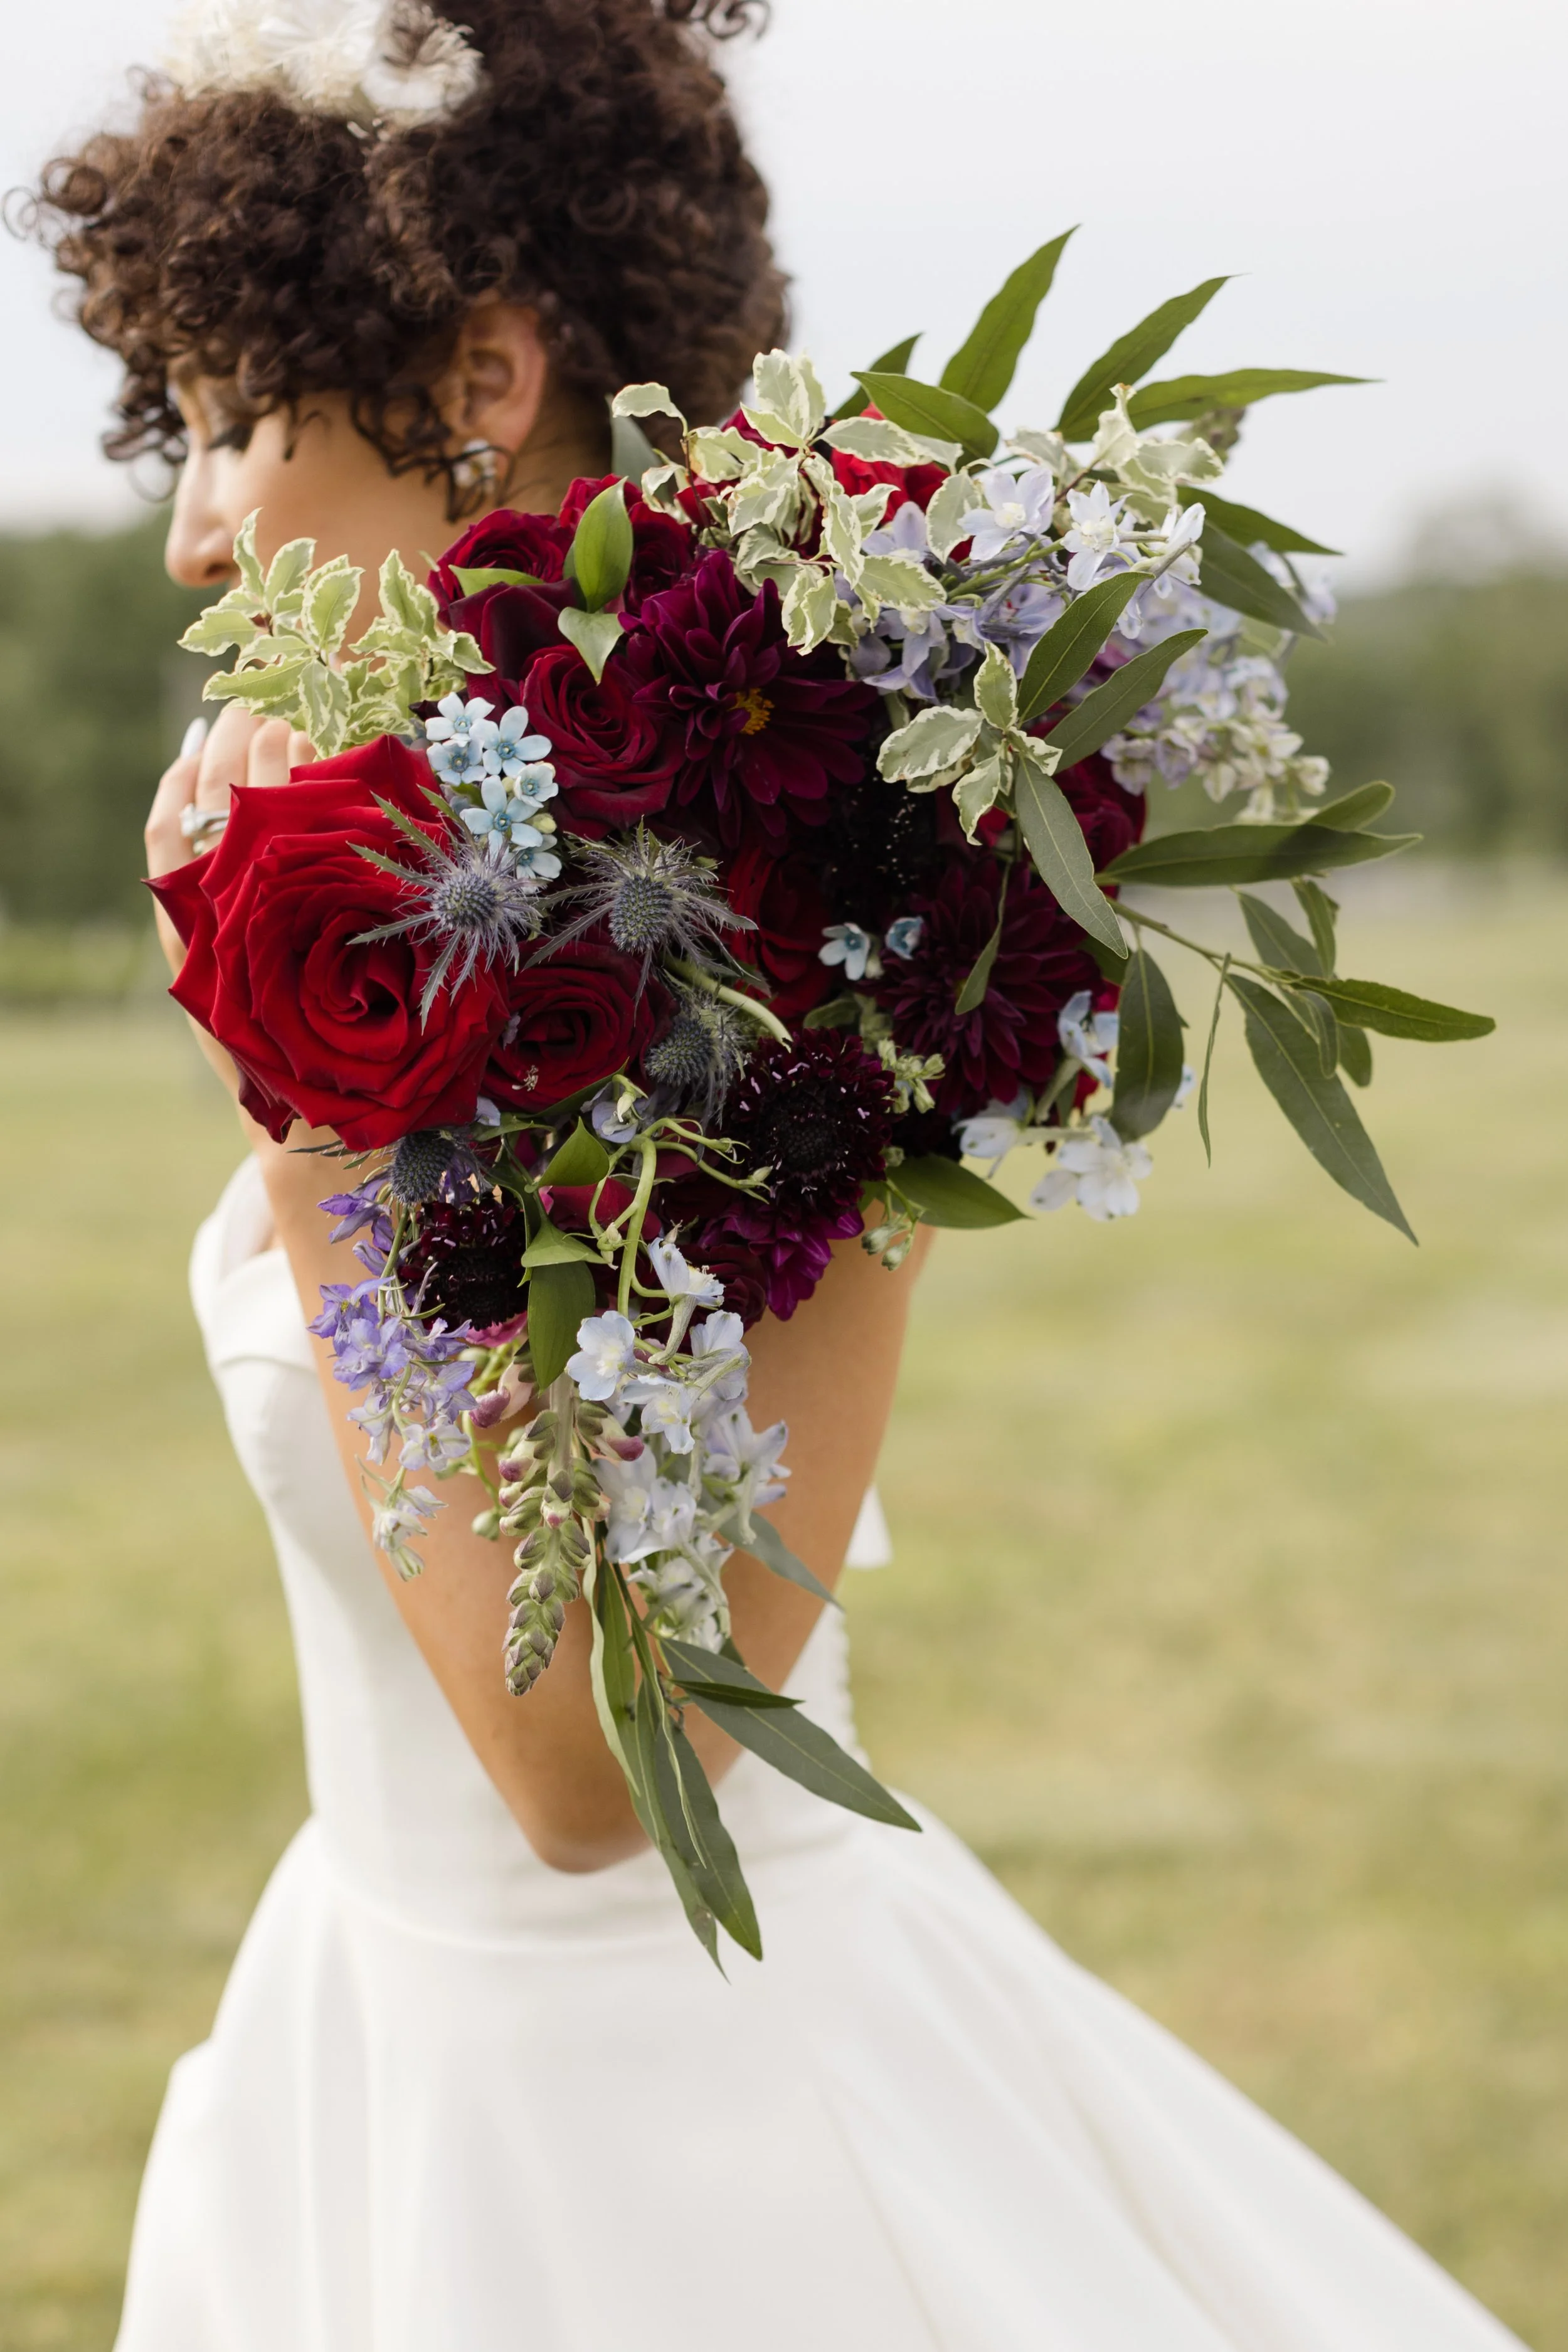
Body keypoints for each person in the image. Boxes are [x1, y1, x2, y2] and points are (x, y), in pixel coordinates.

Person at [31, 4, 1532, 2346]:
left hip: (691, 2133)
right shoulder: (433, 886)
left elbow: (593, 1770)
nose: (194, 523)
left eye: (234, 418)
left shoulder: (814, 918)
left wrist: (296, 1076)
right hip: (383, 2052)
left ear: (482, 372)